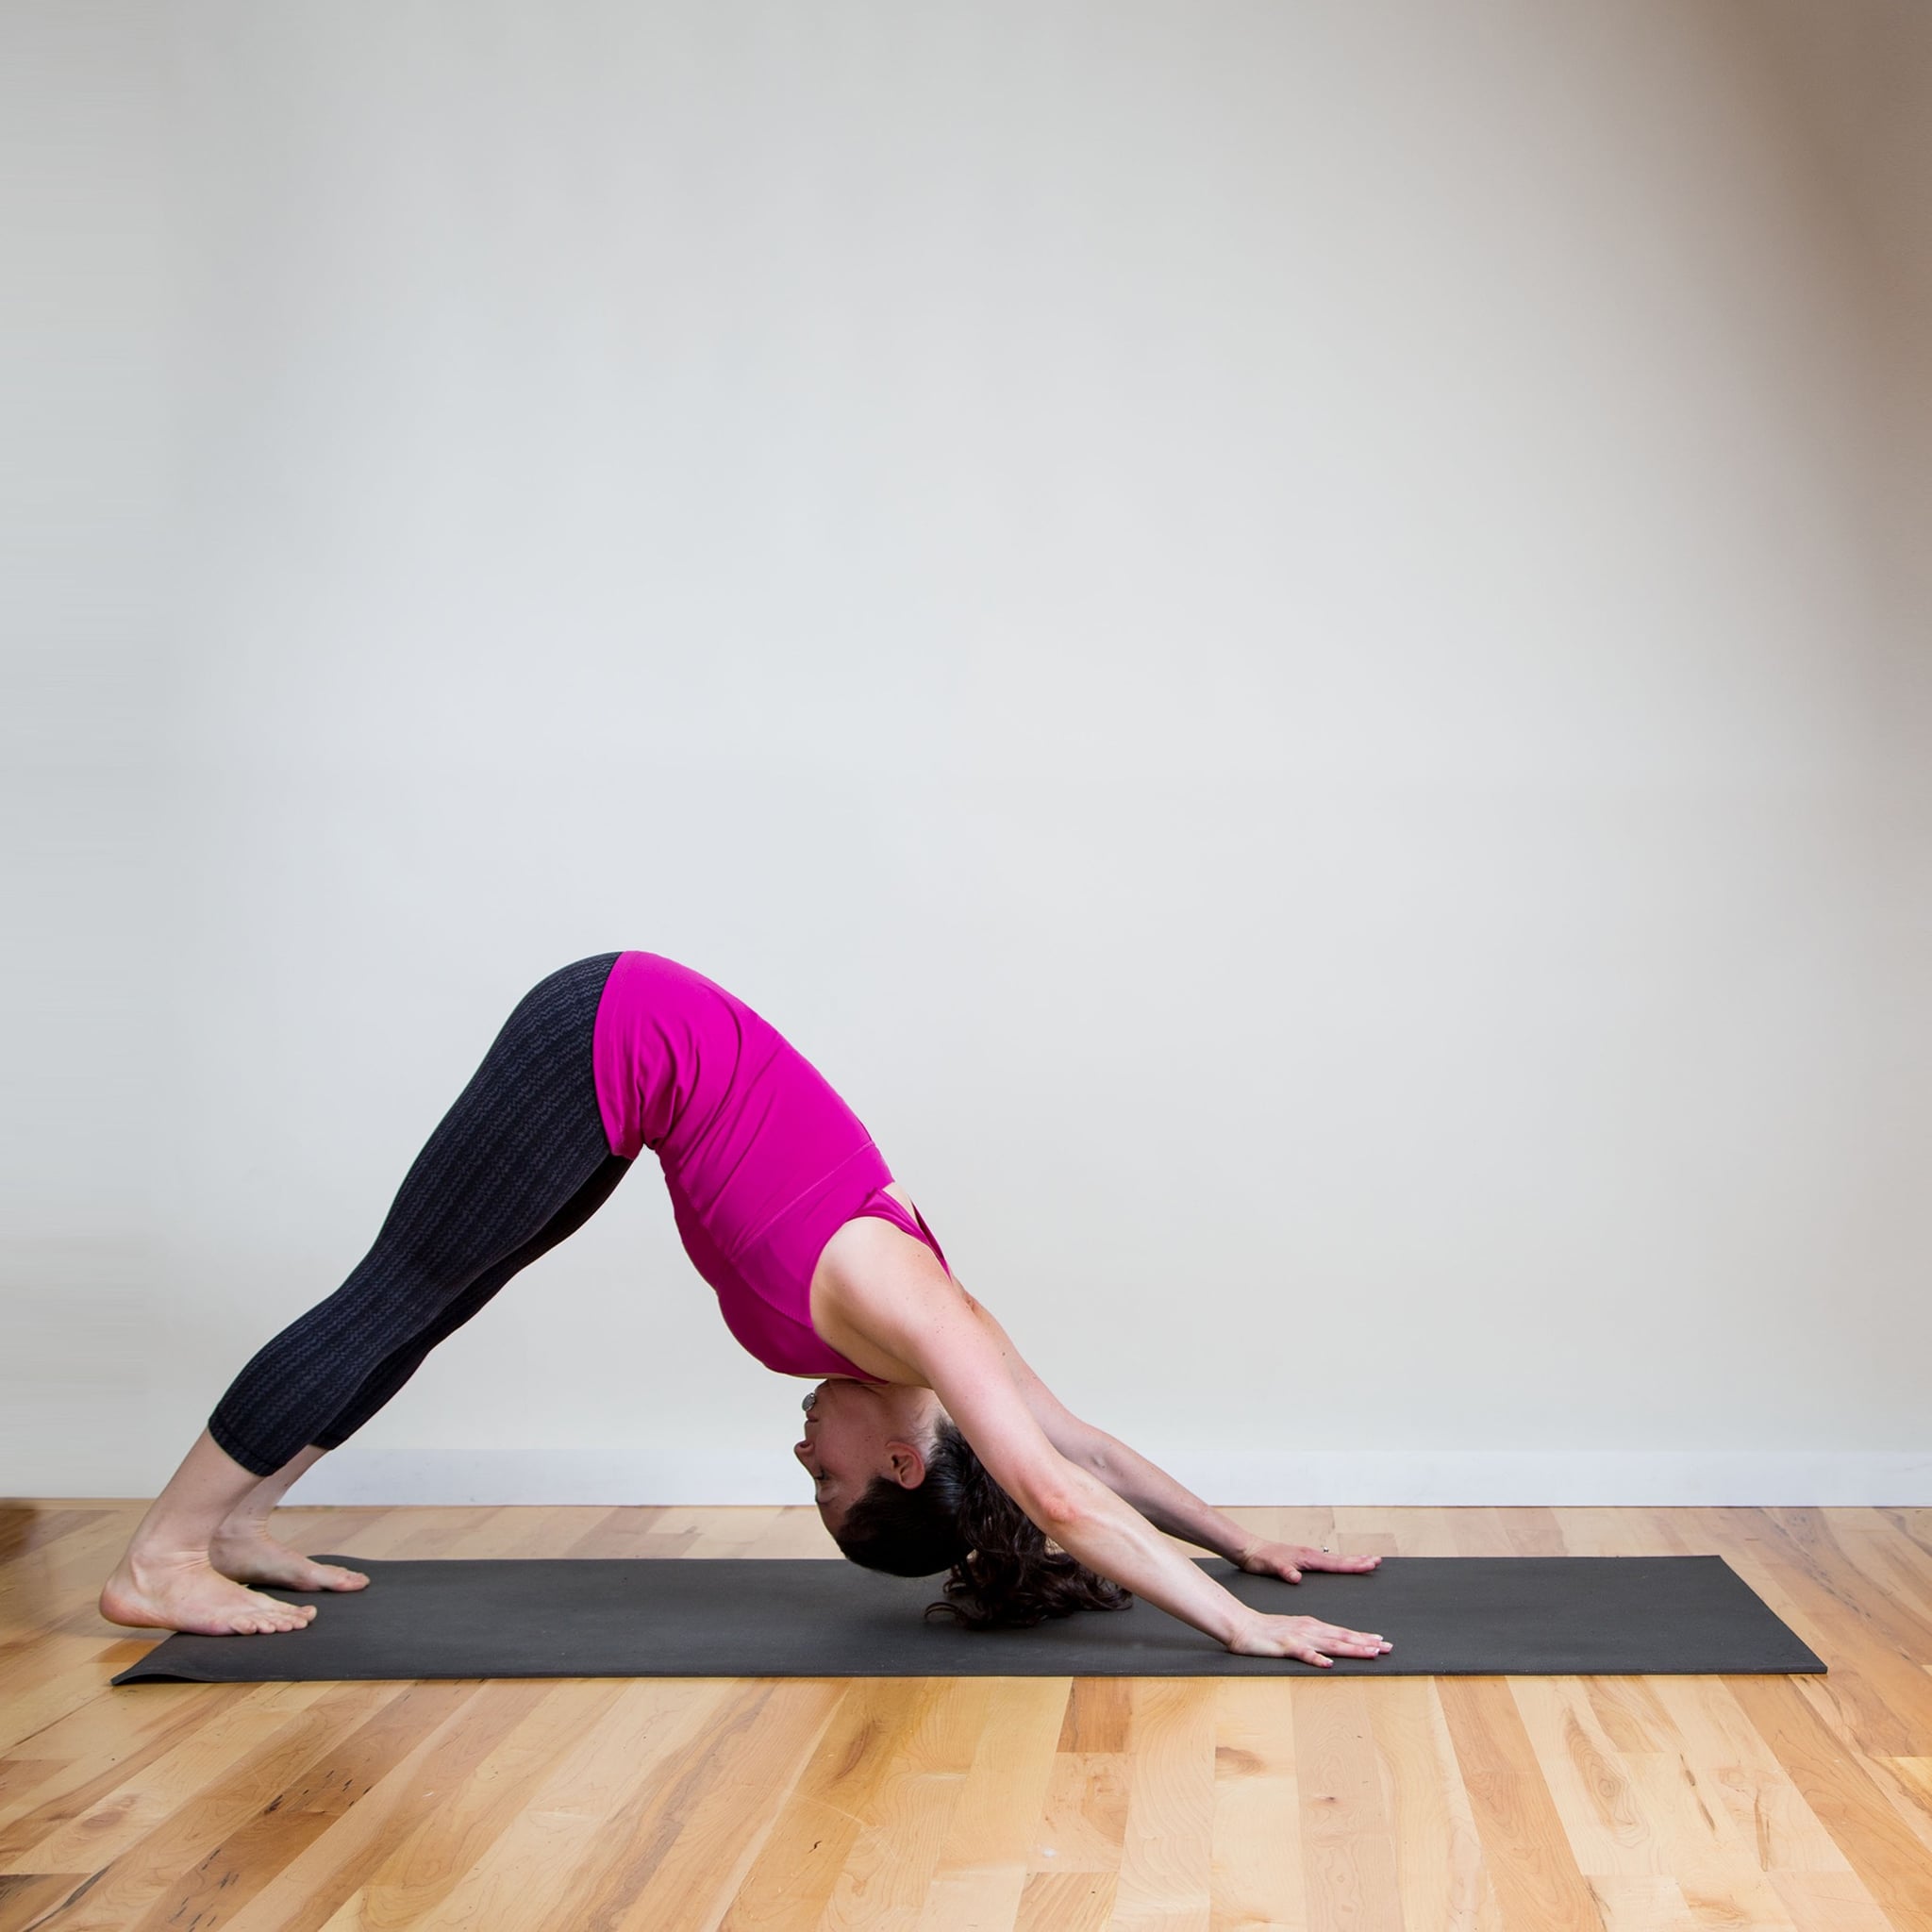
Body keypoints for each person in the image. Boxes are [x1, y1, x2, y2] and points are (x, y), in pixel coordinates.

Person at [100, 951, 1392, 1667]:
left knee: (425, 1307)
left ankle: (240, 1521)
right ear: (897, 1460)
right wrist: (1243, 1624)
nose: (800, 1459)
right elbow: (1061, 1496)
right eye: (826, 1487)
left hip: (629, 1067)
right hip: (604, 1032)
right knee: (397, 1293)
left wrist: (1245, 1541)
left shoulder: (953, 1360)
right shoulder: (921, 1319)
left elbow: (1090, 1454)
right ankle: (161, 1559)